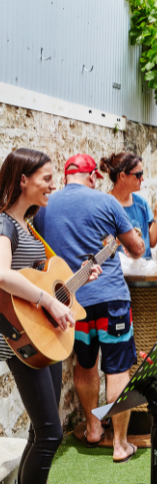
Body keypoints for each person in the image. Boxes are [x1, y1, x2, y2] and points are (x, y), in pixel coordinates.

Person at [34, 153, 145, 463]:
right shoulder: (106, 202)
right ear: (93, 176)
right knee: (118, 371)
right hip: (111, 301)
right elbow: (137, 250)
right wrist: (129, 237)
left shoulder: (43, 207)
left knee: (85, 365)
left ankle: (94, 430)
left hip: (73, 303)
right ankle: (121, 444)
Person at [0, 149, 101, 484]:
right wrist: (49, 300)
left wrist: (78, 280)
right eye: (46, 178)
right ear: (22, 180)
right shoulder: (4, 224)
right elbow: (1, 275)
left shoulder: (27, 227)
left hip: (44, 335)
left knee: (39, 432)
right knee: (50, 435)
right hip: (21, 340)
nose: (53, 185)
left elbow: (44, 281)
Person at [100, 152, 157, 258]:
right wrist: (123, 239)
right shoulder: (104, 206)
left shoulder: (141, 203)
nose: (142, 178)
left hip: (143, 270)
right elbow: (101, 246)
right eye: (138, 175)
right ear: (122, 176)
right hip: (119, 272)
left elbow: (151, 242)